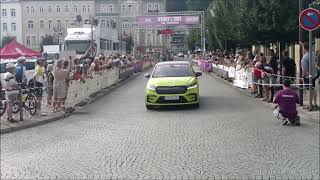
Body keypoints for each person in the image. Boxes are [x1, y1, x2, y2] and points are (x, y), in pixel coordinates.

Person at [301, 43, 320, 111]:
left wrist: (302, 77)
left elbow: (304, 69)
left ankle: (310, 105)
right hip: (314, 74)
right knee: (313, 89)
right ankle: (315, 104)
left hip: (307, 76)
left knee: (309, 91)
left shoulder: (305, 57)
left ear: (304, 48)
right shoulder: (313, 54)